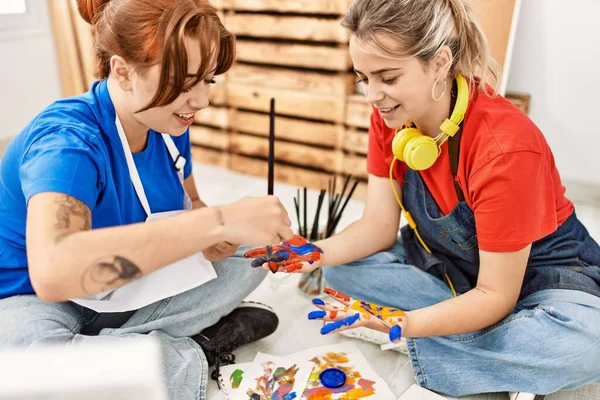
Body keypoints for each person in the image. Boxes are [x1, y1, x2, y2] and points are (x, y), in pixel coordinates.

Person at [245, 0, 600, 398]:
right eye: (363, 78)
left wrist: (403, 323)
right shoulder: (390, 117)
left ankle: (452, 333)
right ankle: (475, 337)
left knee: (585, 345)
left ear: (440, 62)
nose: (373, 95)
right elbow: (378, 227)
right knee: (341, 272)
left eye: (388, 77)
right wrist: (314, 252)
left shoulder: (505, 148)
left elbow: (498, 294)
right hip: (453, 268)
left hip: (542, 279)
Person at [0, 1, 295, 399]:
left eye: (208, 80)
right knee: (28, 359)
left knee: (256, 250)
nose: (201, 101)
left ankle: (112, 352)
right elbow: (53, 274)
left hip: (129, 283)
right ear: (122, 71)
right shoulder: (67, 142)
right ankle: (196, 350)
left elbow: (192, 202)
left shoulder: (169, 122)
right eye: (186, 81)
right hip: (34, 299)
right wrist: (215, 222)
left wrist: (216, 231)